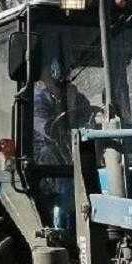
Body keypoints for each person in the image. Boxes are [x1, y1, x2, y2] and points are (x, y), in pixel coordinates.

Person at [32, 56, 94, 232]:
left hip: (74, 152)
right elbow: (50, 130)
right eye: (50, 76)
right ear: (45, 78)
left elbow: (89, 121)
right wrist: (69, 108)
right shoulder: (38, 101)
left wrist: (74, 103)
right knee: (52, 157)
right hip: (44, 159)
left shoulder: (79, 98)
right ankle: (62, 228)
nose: (61, 79)